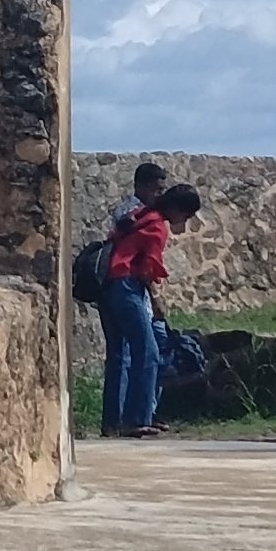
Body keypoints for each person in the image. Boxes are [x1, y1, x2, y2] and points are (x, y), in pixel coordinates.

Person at [100, 184, 202, 437]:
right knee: (148, 353)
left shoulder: (140, 215)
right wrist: (156, 302)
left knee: (119, 356)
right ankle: (136, 418)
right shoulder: (157, 225)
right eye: (186, 217)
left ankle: (113, 421)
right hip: (127, 287)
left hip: (109, 286)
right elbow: (148, 268)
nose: (184, 223)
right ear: (177, 209)